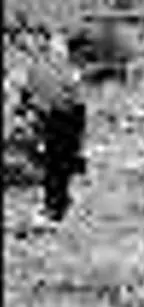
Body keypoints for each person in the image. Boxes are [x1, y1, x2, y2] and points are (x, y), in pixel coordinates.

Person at [19, 24, 87, 228]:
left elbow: (72, 94)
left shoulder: (58, 62)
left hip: (64, 116)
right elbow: (29, 92)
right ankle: (55, 203)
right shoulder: (40, 64)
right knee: (55, 163)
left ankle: (55, 208)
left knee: (59, 163)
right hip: (55, 116)